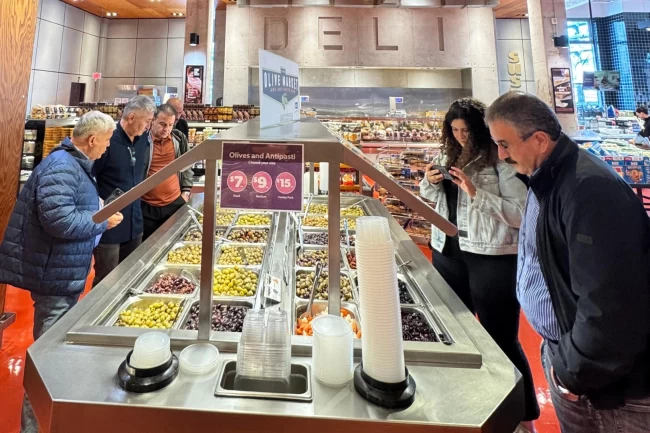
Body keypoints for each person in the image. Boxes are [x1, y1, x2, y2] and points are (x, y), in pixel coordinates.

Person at [486, 91, 650, 433]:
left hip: (607, 390)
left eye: (504, 144)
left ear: (539, 140)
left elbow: (610, 299)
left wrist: (573, 371)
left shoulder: (588, 190)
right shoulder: (548, 179)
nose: (501, 155)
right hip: (571, 357)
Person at [419, 98, 538, 432]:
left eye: (466, 130)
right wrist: (430, 182)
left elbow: (522, 212)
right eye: (454, 130)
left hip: (491, 258)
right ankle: (467, 404)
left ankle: (523, 416)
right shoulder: (446, 156)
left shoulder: (501, 161)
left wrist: (475, 193)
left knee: (500, 338)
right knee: (452, 334)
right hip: (447, 253)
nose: (460, 137)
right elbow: (431, 198)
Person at [0, 111, 123, 433]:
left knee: (53, 353)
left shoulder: (74, 165)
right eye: (106, 141)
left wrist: (96, 207)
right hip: (53, 275)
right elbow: (59, 221)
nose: (107, 148)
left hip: (62, 271)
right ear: (92, 139)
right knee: (48, 361)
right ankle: (33, 428)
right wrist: (102, 220)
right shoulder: (62, 167)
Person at [93, 95, 156, 286]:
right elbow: (91, 178)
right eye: (147, 121)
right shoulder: (108, 140)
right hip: (109, 226)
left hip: (134, 222)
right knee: (107, 280)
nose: (148, 126)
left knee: (131, 277)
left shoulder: (144, 140)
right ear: (131, 117)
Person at [141, 103, 193, 240]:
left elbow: (187, 165)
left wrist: (186, 192)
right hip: (147, 206)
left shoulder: (179, 138)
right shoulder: (142, 141)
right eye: (163, 124)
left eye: (170, 125)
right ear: (153, 120)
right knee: (147, 245)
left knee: (175, 242)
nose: (167, 129)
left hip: (175, 203)